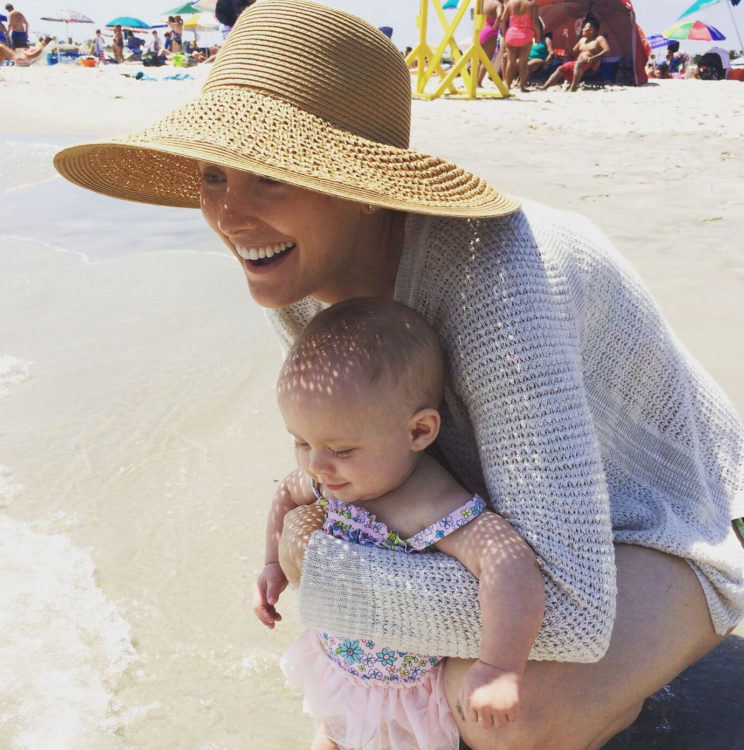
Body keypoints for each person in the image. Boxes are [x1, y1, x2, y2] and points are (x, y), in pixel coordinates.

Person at [52, 3, 744, 748]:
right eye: (214, 176)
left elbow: (570, 609)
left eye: (267, 179)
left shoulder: (494, 274)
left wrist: (318, 574)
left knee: (516, 713)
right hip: (521, 523)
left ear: (356, 180)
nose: (230, 215)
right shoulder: (297, 271)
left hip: (673, 524)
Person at [254, 297, 545, 750]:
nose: (316, 465)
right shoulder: (329, 477)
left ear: (418, 432)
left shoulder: (429, 502)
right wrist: (272, 564)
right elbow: (285, 493)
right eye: (300, 441)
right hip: (336, 665)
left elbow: (509, 564)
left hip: (405, 694)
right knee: (331, 733)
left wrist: (499, 667)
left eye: (342, 449)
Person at [541, 16, 610, 92]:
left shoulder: (599, 39)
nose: (582, 29)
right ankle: (544, 87)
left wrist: (594, 57)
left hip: (590, 63)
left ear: (591, 30)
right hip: (578, 62)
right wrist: (566, 39)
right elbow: (571, 52)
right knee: (560, 68)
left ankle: (573, 88)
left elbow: (607, 51)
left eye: (584, 27)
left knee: (578, 63)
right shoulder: (582, 40)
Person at [500, 0, 541, 91]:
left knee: (511, 62)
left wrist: (503, 33)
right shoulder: (531, 4)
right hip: (526, 35)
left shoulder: (510, 3)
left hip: (511, 34)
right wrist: (538, 36)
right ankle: (522, 87)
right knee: (523, 64)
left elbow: (503, 19)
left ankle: (508, 85)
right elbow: (535, 22)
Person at [476, 0, 504, 88]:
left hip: (481, 28)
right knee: (486, 60)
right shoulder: (498, 4)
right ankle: (479, 82)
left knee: (478, 58)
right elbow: (499, 15)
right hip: (491, 30)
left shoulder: (483, 1)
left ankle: (474, 80)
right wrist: (496, 26)